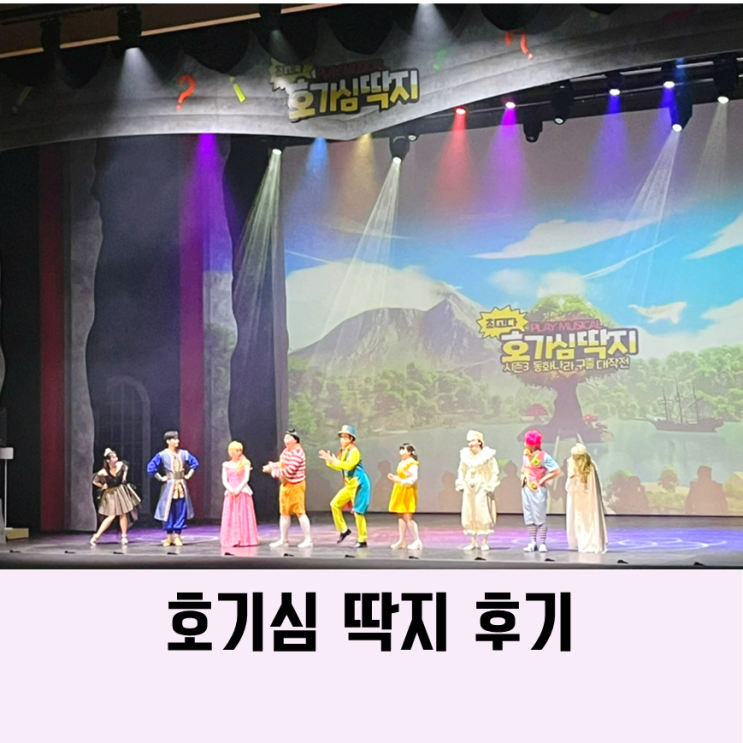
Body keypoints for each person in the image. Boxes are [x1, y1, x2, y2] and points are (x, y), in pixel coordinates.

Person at [319, 424, 371, 549]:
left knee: (358, 513)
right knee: (335, 504)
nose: (342, 440)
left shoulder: (354, 451)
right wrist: (330, 461)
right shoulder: (344, 451)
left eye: (345, 437)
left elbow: (349, 466)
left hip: (359, 484)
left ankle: (362, 539)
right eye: (341, 437)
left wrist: (335, 461)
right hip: (350, 485)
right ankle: (344, 529)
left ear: (351, 439)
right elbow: (341, 466)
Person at [147, 430, 199, 547]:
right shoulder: (162, 455)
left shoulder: (184, 453)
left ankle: (178, 536)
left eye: (177, 439)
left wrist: (188, 475)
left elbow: (195, 463)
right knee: (168, 511)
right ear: (168, 441)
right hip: (169, 486)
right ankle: (169, 536)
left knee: (181, 510)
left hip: (181, 485)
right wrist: (160, 478)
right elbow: (151, 467)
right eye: (174, 439)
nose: (177, 441)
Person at [263, 428, 312, 548]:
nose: (286, 440)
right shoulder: (286, 451)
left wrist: (272, 471)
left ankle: (308, 539)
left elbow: (289, 470)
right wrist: (272, 465)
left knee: (300, 512)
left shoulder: (298, 453)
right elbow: (282, 464)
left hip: (296, 485)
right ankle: (283, 539)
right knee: (284, 513)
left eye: (289, 438)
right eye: (285, 438)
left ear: (295, 440)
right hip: (285, 485)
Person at [455, 430, 500, 552]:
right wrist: (461, 481)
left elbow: (494, 471)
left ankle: (484, 541)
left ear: (479, 441)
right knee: (469, 512)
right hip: (469, 487)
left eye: (473, 441)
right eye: (469, 441)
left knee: (482, 512)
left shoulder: (487, 456)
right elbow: (461, 470)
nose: (471, 444)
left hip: (482, 487)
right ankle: (473, 542)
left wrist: (489, 485)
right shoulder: (465, 456)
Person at [521, 430, 561, 553]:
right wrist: (523, 475)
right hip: (526, 488)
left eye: (527, 442)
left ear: (533, 444)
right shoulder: (525, 454)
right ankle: (532, 542)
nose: (525, 444)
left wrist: (543, 479)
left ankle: (542, 542)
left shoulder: (544, 456)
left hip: (537, 489)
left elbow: (556, 470)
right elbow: (524, 468)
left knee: (539, 516)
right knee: (529, 516)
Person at [90, 448, 141, 545]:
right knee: (112, 515)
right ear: (108, 460)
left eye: (116, 457)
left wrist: (124, 476)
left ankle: (124, 536)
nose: (116, 459)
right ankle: (96, 536)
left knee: (123, 513)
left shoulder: (121, 465)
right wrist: (102, 486)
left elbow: (126, 466)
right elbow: (94, 481)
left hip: (120, 491)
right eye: (113, 458)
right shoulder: (103, 472)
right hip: (110, 494)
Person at [566, 443, 608, 554]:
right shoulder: (575, 466)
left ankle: (590, 543)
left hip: (586, 498)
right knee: (580, 521)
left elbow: (590, 485)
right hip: (578, 497)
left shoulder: (590, 467)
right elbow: (570, 485)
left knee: (588, 520)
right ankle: (580, 542)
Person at [220, 440, 259, 547]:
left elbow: (246, 478)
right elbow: (224, 480)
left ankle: (245, 539)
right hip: (231, 493)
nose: (239, 452)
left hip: (242, 492)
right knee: (231, 516)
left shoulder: (245, 463)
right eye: (236, 450)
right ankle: (231, 538)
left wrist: (238, 489)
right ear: (231, 451)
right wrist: (231, 489)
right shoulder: (226, 465)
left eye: (240, 450)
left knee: (243, 515)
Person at [387, 443, 422, 550]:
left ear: (410, 452)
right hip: (400, 489)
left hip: (407, 490)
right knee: (401, 515)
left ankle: (417, 541)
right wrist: (395, 478)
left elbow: (413, 479)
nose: (401, 452)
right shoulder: (403, 462)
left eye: (404, 450)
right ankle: (402, 541)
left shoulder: (412, 463)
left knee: (408, 516)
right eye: (401, 449)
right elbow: (402, 476)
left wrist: (400, 481)